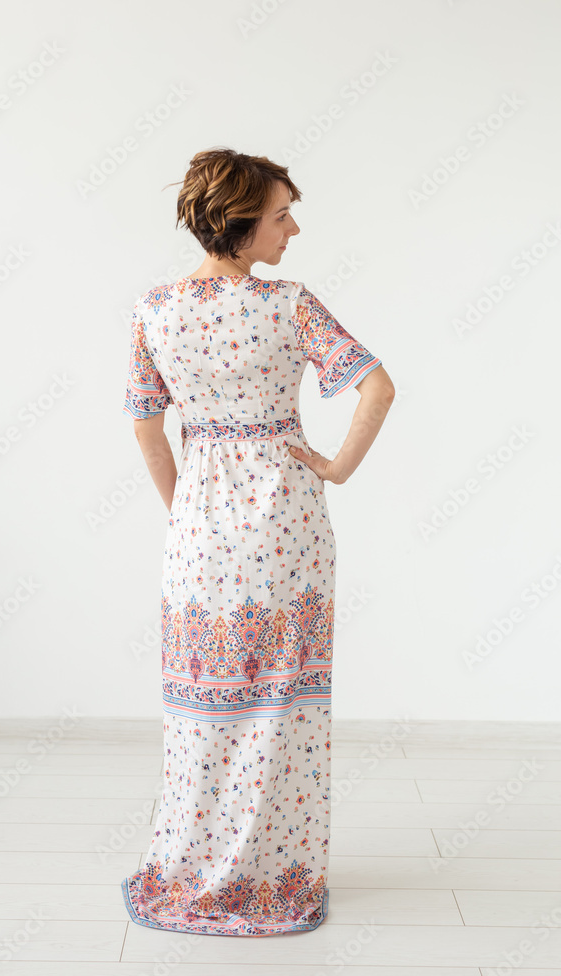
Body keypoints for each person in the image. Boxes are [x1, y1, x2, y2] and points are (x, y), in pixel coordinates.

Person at [121, 147, 395, 936]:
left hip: (200, 526)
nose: (293, 228)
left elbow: (146, 425)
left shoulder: (152, 309)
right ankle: (271, 875)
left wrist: (185, 515)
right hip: (287, 521)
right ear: (239, 222)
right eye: (281, 216)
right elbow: (377, 383)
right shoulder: (289, 305)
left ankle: (194, 864)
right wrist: (335, 468)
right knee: (281, 701)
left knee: (201, 704)